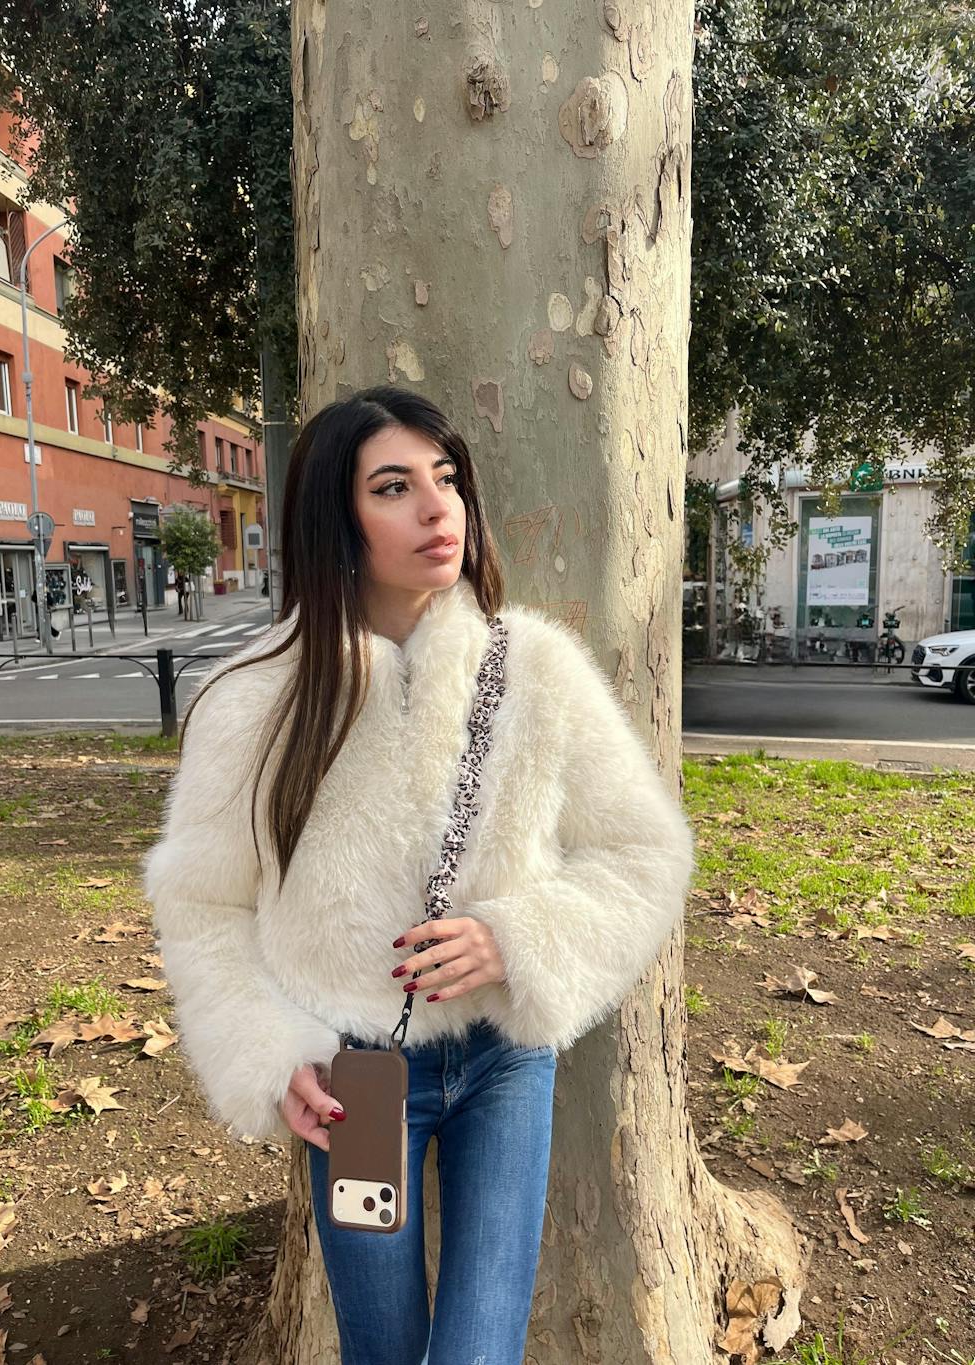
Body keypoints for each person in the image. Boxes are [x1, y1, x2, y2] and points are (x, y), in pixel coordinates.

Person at [142, 385, 695, 1365]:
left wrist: (517, 936)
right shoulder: (254, 700)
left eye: (447, 479)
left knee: (477, 1352)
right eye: (393, 487)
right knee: (383, 1351)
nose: (439, 509)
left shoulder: (535, 668)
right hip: (353, 1077)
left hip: (502, 1058)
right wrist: (269, 1054)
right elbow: (202, 903)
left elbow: (644, 851)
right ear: (335, 517)